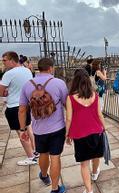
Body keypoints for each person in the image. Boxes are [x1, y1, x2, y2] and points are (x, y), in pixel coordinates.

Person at [19, 58, 68, 193]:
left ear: (37, 68)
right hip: (57, 128)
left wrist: (23, 129)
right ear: (51, 68)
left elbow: (22, 109)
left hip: (38, 130)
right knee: (55, 157)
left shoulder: (27, 85)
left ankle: (44, 175)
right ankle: (55, 188)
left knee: (43, 154)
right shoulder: (59, 83)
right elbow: (67, 105)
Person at [66, 69, 107, 193]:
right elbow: (100, 115)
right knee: (96, 155)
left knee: (84, 164)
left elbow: (69, 118)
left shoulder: (71, 98)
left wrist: (67, 134)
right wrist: (104, 128)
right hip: (96, 131)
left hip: (80, 135)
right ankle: (95, 173)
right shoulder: (94, 95)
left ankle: (89, 190)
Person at [0, 51, 38, 166]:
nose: (3, 63)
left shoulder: (8, 74)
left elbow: (1, 92)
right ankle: (36, 150)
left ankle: (31, 157)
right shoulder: (27, 70)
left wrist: (6, 92)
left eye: (4, 60)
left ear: (12, 60)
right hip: (26, 104)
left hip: (14, 106)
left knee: (22, 133)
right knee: (28, 128)